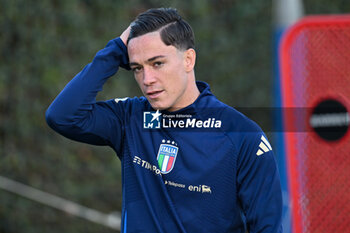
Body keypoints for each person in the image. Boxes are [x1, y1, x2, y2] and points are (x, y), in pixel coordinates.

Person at [46, 8, 283, 233]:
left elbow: (267, 227)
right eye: (137, 68)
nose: (147, 79)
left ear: (188, 60)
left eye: (157, 63)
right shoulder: (131, 118)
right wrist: (115, 50)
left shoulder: (242, 135)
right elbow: (63, 116)